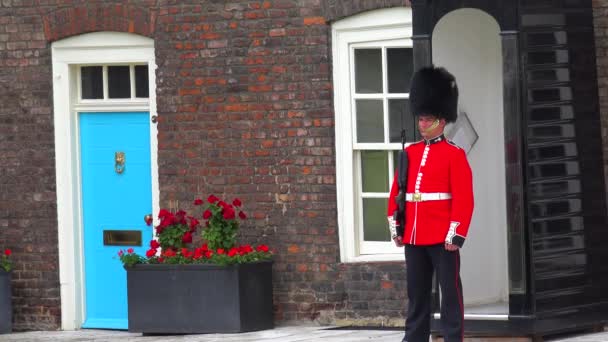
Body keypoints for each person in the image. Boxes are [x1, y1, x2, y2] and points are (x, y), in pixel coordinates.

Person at [387, 66, 474, 342]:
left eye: (426, 119)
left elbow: (464, 198)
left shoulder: (454, 155)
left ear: (440, 119)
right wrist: (397, 227)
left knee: (450, 296)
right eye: (420, 119)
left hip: (441, 236)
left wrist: (455, 234)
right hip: (414, 235)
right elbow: (397, 193)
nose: (422, 123)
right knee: (417, 296)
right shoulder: (410, 153)